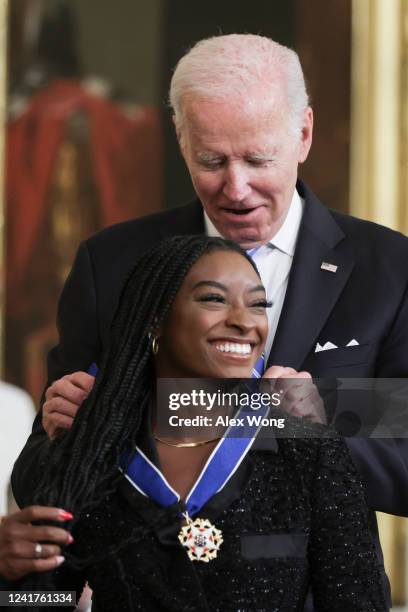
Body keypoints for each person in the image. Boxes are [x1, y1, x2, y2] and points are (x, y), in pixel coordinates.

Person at [10, 32, 408, 605]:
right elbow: (44, 493)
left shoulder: (389, 270)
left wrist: (320, 418)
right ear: (181, 139)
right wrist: (62, 425)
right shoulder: (114, 263)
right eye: (212, 160)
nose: (236, 187)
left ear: (304, 134)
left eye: (257, 159)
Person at [1, 237, 387, 611]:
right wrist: (6, 576)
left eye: (258, 305)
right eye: (214, 299)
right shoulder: (89, 452)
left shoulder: (308, 449)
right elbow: (47, 600)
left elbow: (357, 602)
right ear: (155, 320)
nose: (243, 322)